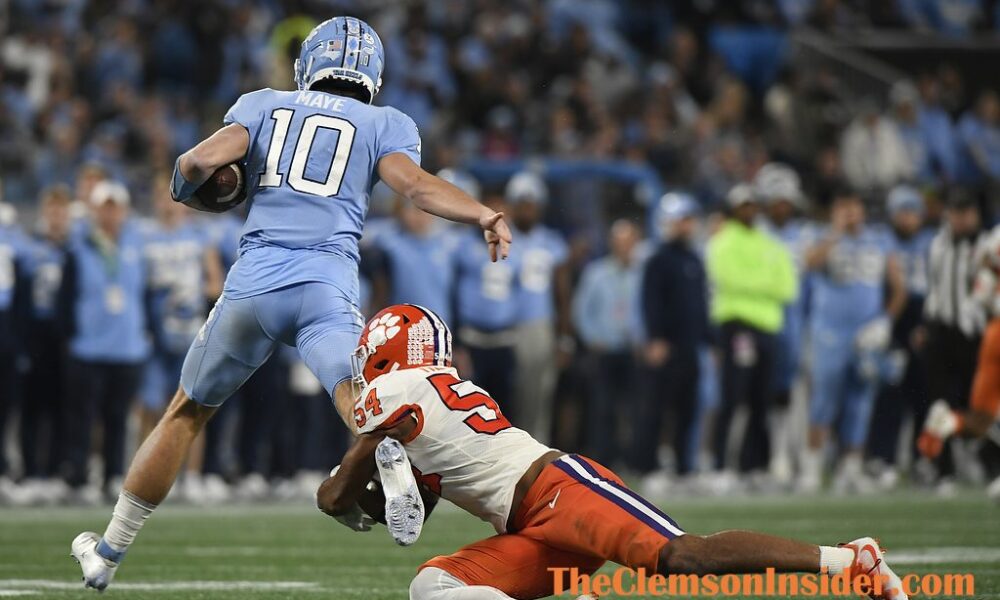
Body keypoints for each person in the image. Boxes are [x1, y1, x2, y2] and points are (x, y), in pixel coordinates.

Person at [71, 16, 512, 591]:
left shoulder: (263, 104)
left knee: (185, 412)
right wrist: (483, 213)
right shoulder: (386, 122)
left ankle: (108, 552)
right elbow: (416, 187)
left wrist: (191, 188)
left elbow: (196, 164)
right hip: (326, 284)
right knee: (359, 399)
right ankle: (388, 455)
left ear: (310, 61)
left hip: (254, 282)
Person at [316, 304, 909, 600]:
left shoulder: (398, 389)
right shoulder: (432, 395)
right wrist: (392, 491)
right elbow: (410, 514)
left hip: (560, 492)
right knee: (433, 586)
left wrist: (359, 481)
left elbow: (334, 496)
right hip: (528, 526)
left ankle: (849, 560)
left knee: (685, 558)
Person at [800, 188, 906, 494]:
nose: (850, 214)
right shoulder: (820, 236)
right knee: (824, 399)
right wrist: (834, 233)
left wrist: (885, 321)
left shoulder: (880, 239)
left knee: (861, 401)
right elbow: (809, 264)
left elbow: (898, 287)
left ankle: (851, 468)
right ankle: (812, 468)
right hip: (829, 332)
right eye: (844, 208)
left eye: (854, 207)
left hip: (866, 332)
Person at [57, 181, 150, 503]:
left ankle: (112, 476)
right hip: (88, 348)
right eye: (105, 207)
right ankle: (79, 477)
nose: (110, 214)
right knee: (82, 419)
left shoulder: (136, 246)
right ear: (95, 211)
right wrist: (71, 339)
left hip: (127, 348)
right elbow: (65, 299)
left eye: (115, 207)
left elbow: (143, 294)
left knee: (117, 418)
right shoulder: (78, 248)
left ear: (124, 211)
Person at [138, 174, 223, 500]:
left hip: (190, 333)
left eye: (172, 196)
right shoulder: (144, 237)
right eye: (162, 196)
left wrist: (188, 292)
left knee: (193, 407)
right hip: (156, 335)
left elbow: (216, 285)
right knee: (150, 408)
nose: (168, 203)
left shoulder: (199, 236)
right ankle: (144, 476)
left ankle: (191, 477)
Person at [706, 184, 797, 483]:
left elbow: (788, 288)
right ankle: (720, 465)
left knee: (761, 397)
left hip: (767, 328)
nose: (749, 211)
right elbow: (729, 280)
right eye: (743, 205)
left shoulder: (770, 243)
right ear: (733, 209)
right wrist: (765, 284)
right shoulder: (722, 242)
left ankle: (754, 466)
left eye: (752, 205)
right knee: (733, 394)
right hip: (738, 326)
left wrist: (754, 284)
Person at [634, 194, 708, 480]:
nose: (688, 226)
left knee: (687, 408)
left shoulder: (694, 258)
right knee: (657, 407)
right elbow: (650, 301)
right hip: (666, 345)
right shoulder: (658, 260)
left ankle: (683, 467)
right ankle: (648, 467)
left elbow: (700, 305)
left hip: (690, 346)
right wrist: (655, 338)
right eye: (683, 220)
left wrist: (708, 340)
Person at [867, 185, 934, 486]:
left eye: (912, 212)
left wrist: (929, 324)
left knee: (923, 393)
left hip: (922, 317)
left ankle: (923, 459)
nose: (907, 218)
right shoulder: (881, 240)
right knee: (889, 393)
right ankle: (884, 458)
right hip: (891, 317)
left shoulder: (932, 242)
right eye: (901, 212)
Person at [755, 163, 815, 485]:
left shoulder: (805, 234)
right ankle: (775, 456)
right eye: (776, 200)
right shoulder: (754, 234)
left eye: (786, 201)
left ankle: (801, 456)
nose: (782, 207)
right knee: (766, 394)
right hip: (763, 323)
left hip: (799, 323)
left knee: (801, 393)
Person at [19, 185, 74, 501]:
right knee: (32, 407)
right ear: (44, 213)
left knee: (60, 406)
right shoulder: (30, 248)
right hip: (36, 333)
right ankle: (30, 472)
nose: (56, 217)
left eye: (61, 211)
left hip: (63, 335)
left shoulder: (74, 249)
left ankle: (54, 470)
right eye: (52, 211)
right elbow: (23, 298)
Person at [506, 171, 571, 443]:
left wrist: (564, 336)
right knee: (505, 394)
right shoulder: (500, 235)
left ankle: (535, 449)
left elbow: (562, 293)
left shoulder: (551, 242)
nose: (526, 209)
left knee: (538, 395)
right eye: (522, 203)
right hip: (502, 326)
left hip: (538, 326)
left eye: (531, 204)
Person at [572, 219, 641, 467]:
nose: (624, 247)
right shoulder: (597, 273)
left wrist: (642, 338)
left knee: (632, 408)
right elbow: (580, 311)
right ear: (612, 243)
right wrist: (592, 339)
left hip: (632, 350)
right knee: (603, 407)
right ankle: (602, 459)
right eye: (620, 242)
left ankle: (629, 459)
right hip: (604, 350)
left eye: (629, 242)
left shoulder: (641, 273)